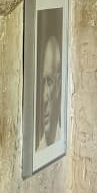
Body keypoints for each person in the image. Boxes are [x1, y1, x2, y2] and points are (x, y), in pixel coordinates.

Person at [36, 18, 62, 150]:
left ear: (58, 86)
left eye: (50, 82)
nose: (44, 98)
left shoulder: (62, 141)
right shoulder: (39, 149)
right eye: (42, 82)